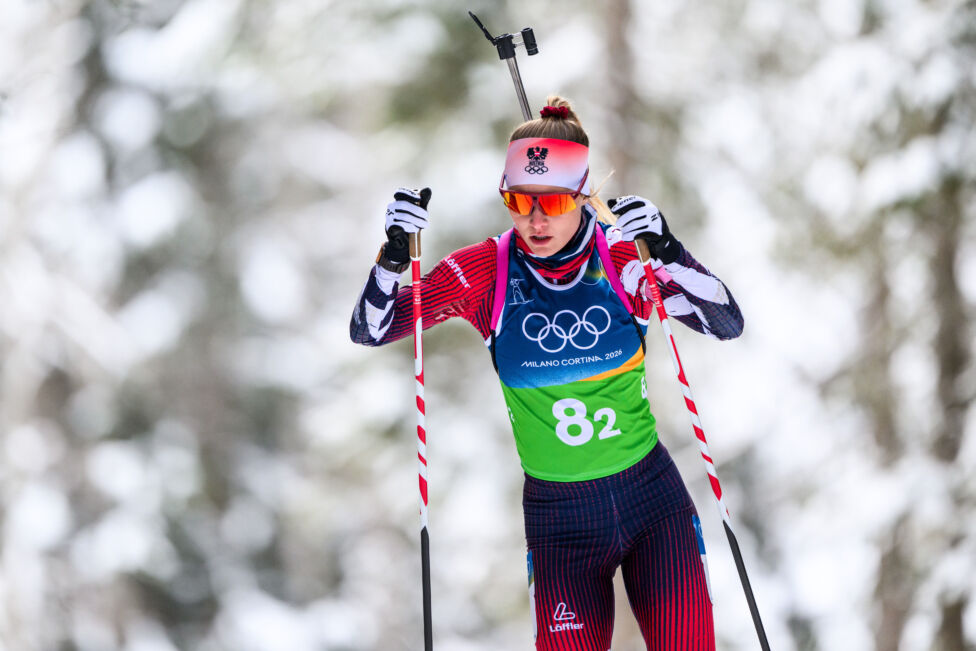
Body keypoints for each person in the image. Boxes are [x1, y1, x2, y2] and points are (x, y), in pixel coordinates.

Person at [350, 95, 742, 650]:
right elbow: (374, 327)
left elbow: (725, 321)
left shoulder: (622, 259)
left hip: (653, 503)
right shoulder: (485, 272)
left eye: (554, 202)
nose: (535, 220)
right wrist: (393, 254)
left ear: (582, 194)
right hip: (561, 522)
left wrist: (669, 249)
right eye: (519, 200)